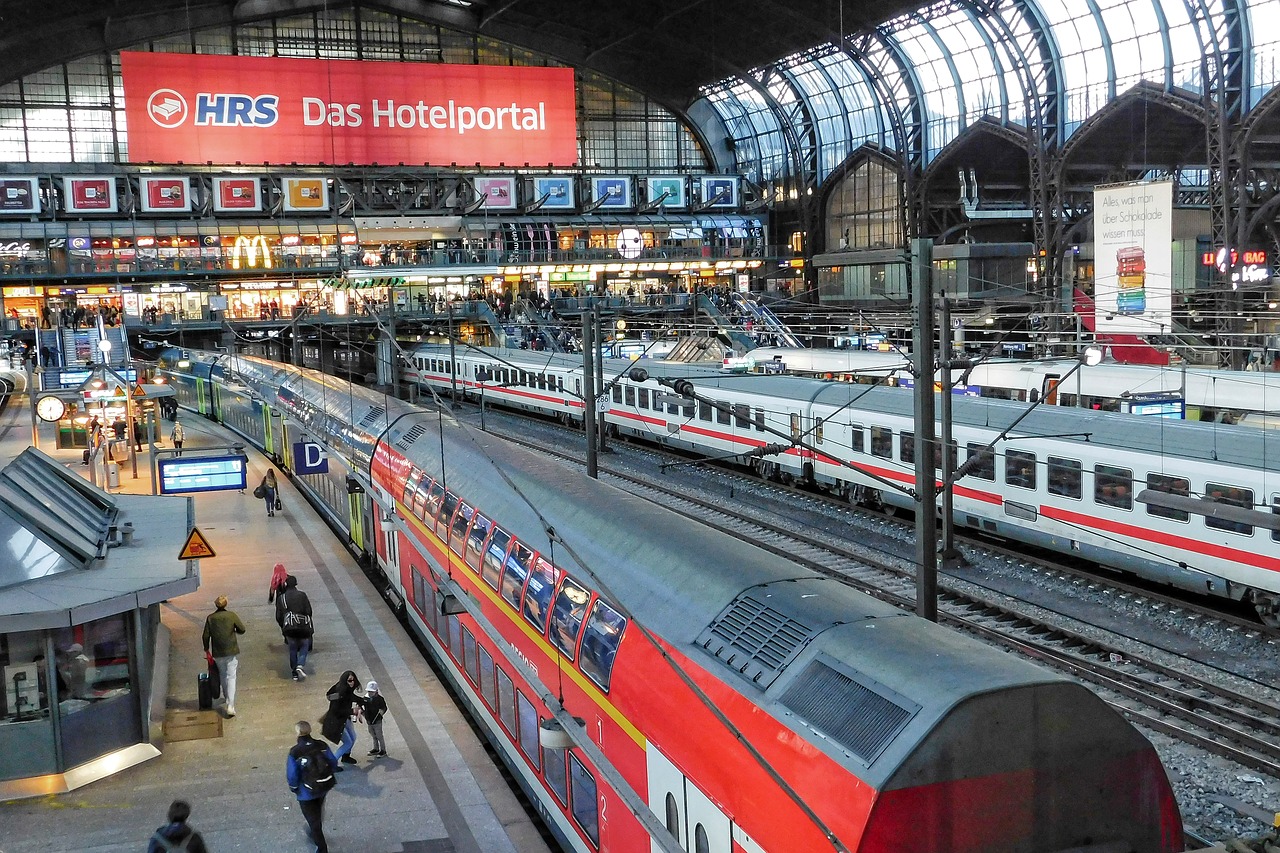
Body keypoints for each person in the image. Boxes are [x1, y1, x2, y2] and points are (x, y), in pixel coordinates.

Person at [287, 720, 337, 853]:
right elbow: (333, 761)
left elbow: (292, 775)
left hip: (306, 792)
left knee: (313, 820)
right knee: (318, 810)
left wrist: (294, 788)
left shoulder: (295, 752)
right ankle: (313, 830)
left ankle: (321, 848)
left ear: (297, 732)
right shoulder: (321, 744)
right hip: (322, 787)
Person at [202, 595, 246, 717]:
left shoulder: (211, 618)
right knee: (231, 676)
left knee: (222, 675)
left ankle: (227, 697)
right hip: (231, 650)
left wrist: (206, 649)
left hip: (218, 652)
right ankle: (230, 705)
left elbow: (205, 636)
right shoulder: (231, 615)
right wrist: (234, 631)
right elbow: (242, 629)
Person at [322, 670, 365, 766]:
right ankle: (332, 763)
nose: (352, 682)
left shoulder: (346, 691)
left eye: (353, 680)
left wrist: (362, 701)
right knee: (348, 742)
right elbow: (336, 711)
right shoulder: (339, 694)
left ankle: (346, 756)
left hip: (344, 719)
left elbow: (350, 697)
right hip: (336, 722)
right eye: (350, 680)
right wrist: (352, 711)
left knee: (353, 737)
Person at [276, 574, 314, 681]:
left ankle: (294, 673)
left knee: (292, 648)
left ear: (286, 585)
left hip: (289, 627)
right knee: (304, 645)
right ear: (296, 584)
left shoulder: (281, 598)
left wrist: (283, 626)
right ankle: (300, 665)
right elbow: (309, 611)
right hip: (303, 627)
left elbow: (279, 616)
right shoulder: (302, 595)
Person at [364, 680, 388, 757]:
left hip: (377, 721)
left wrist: (382, 712)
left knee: (379, 736)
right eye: (369, 691)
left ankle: (383, 750)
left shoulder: (379, 699)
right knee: (373, 735)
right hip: (369, 720)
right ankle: (376, 748)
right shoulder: (366, 698)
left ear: (376, 691)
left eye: (372, 692)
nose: (370, 693)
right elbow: (363, 706)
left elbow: (384, 707)